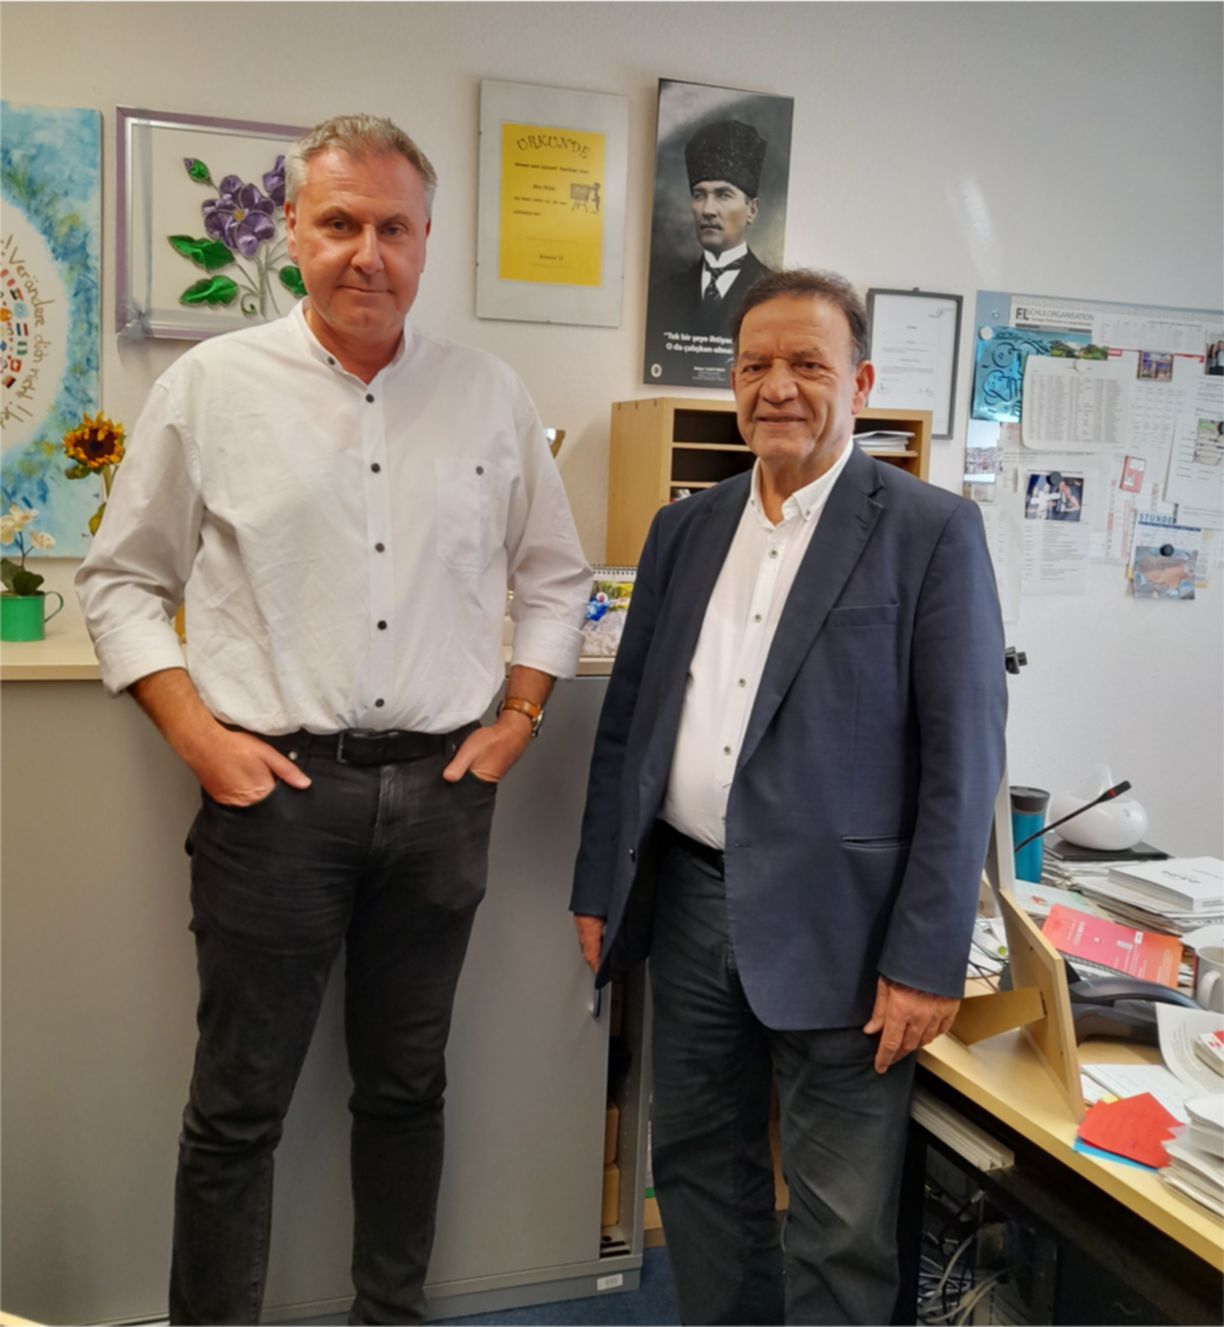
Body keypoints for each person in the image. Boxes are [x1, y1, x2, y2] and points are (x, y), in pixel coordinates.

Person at [76, 113, 590, 1325]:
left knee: (408, 1090)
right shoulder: (211, 388)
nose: (369, 253)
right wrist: (198, 738)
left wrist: (520, 715)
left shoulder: (489, 396)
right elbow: (121, 581)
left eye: (394, 228)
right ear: (293, 232)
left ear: (427, 241)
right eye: (341, 223)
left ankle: (387, 1316)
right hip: (274, 805)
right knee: (236, 1107)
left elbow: (556, 577)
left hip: (443, 800)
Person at [572, 269, 1006, 1325]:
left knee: (840, 1218)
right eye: (755, 364)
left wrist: (926, 955)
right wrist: (598, 886)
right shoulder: (685, 530)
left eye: (808, 363)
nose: (777, 387)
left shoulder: (930, 531)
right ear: (731, 382)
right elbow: (628, 725)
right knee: (698, 1171)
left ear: (859, 382)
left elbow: (964, 761)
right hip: (690, 901)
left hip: (847, 928)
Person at [645, 119, 774, 365]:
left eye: (723, 195)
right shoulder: (664, 294)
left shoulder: (773, 296)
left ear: (752, 210)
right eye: (699, 195)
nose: (707, 210)